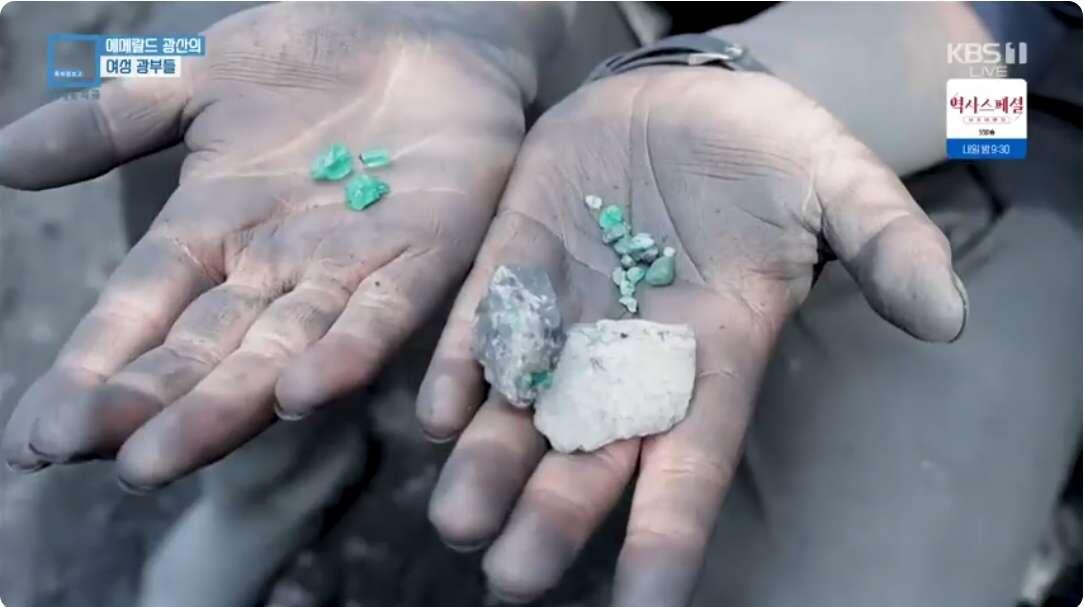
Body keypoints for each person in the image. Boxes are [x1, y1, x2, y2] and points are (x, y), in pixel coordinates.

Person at [0, 3, 1078, 606]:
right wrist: (480, 17)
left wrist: (743, 85)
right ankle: (273, 480)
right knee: (174, 56)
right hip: (568, 14)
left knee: (871, 579)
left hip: (973, 102)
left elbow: (1017, 43)